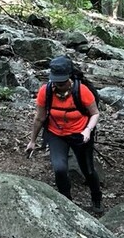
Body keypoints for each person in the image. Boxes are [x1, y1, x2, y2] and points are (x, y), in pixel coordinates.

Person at [27, 55, 103, 215]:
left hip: (81, 134)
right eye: (55, 82)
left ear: (69, 77)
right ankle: (66, 201)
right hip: (56, 134)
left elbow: (95, 113)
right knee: (60, 169)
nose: (58, 86)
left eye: (61, 82)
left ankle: (97, 199)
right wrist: (32, 141)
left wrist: (88, 130)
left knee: (88, 170)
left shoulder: (82, 91)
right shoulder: (45, 91)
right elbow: (39, 118)